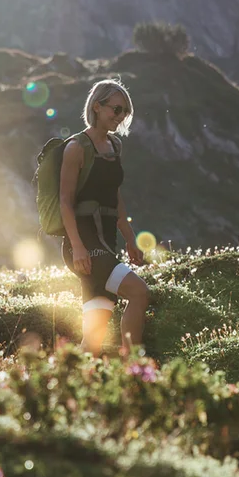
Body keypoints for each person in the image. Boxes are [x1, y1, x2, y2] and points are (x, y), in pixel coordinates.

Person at [59, 79, 149, 357]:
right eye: (116, 109)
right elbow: (65, 201)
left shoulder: (114, 146)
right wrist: (78, 247)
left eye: (125, 112)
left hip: (106, 243)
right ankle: (134, 368)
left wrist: (130, 240)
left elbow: (115, 197)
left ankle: (60, 379)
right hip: (85, 245)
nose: (120, 117)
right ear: (97, 106)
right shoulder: (76, 147)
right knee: (139, 292)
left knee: (93, 341)